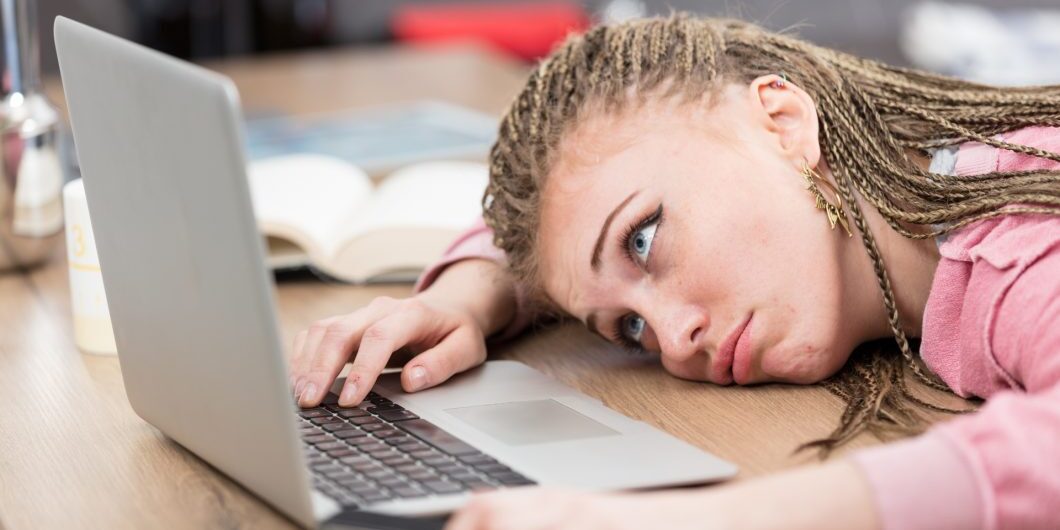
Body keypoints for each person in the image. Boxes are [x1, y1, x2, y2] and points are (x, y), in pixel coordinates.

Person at [287, 15, 1060, 529]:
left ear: (783, 122)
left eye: (646, 241)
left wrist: (689, 520)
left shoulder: (1020, 243)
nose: (674, 336)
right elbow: (575, 221)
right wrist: (473, 291)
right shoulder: (925, 190)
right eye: (627, 328)